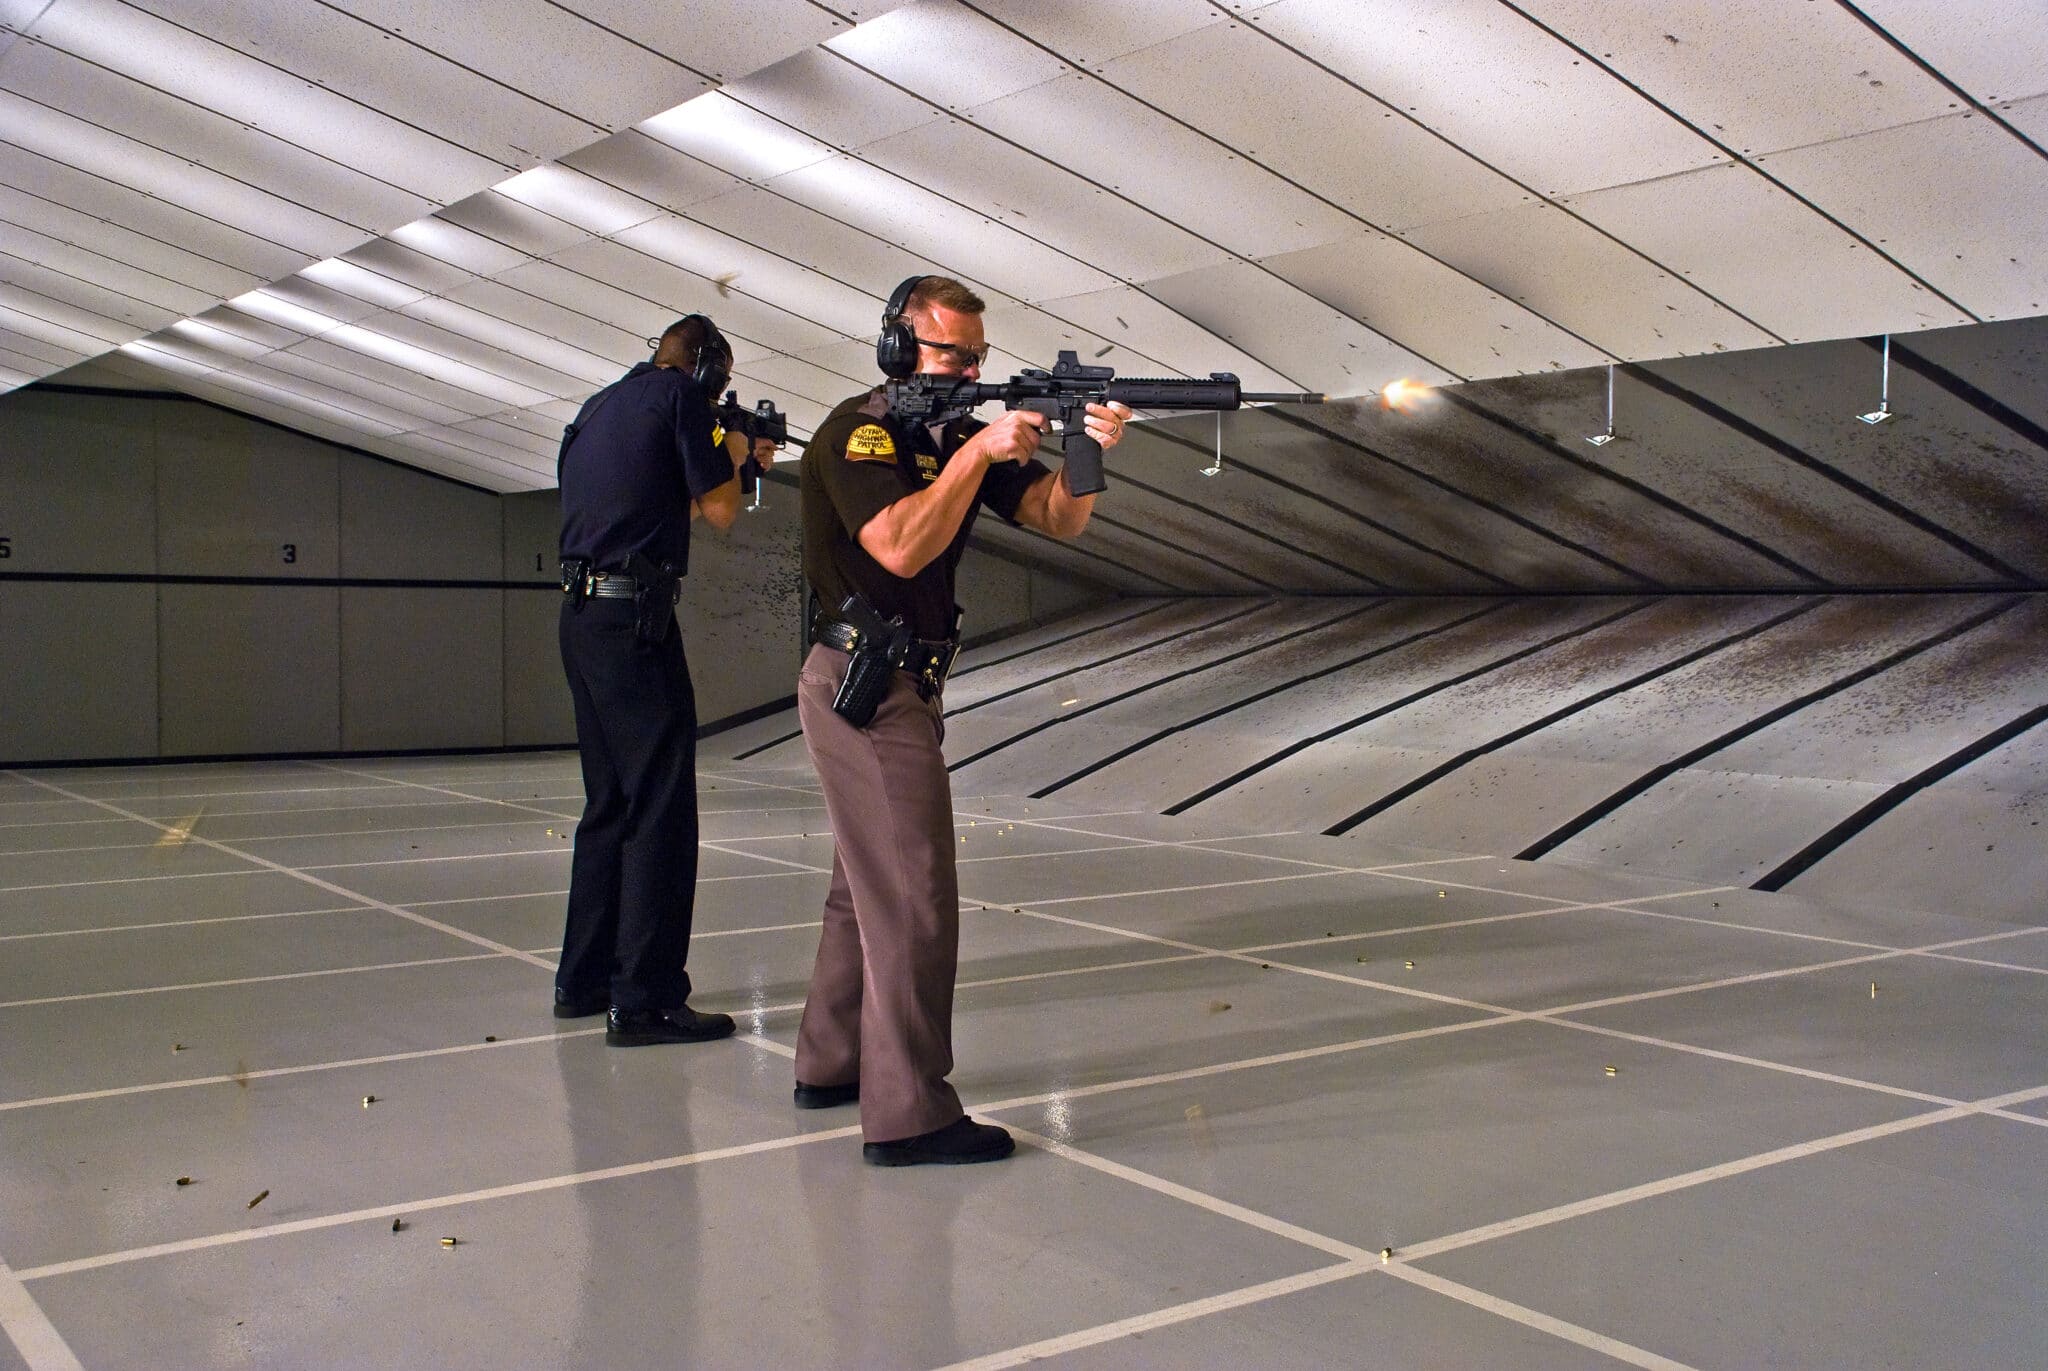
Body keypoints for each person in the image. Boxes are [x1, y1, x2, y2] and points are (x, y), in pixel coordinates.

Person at [794, 275, 1132, 1165]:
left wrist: (1086, 451)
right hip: (862, 679)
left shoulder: (953, 436)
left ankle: (831, 1060)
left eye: (978, 355)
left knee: (858, 885)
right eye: (952, 353)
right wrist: (976, 455)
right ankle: (909, 1113)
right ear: (900, 348)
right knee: (913, 889)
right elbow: (900, 543)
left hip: (903, 682)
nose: (971, 369)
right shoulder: (857, 433)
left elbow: (1057, 519)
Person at [553, 314, 775, 1046]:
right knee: (661, 808)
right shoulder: (681, 401)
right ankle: (645, 998)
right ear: (706, 367)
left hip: (583, 615)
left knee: (608, 804)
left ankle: (584, 979)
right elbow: (718, 509)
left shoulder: (599, 407)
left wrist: (727, 458)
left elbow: (650, 498)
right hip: (634, 623)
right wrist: (739, 456)